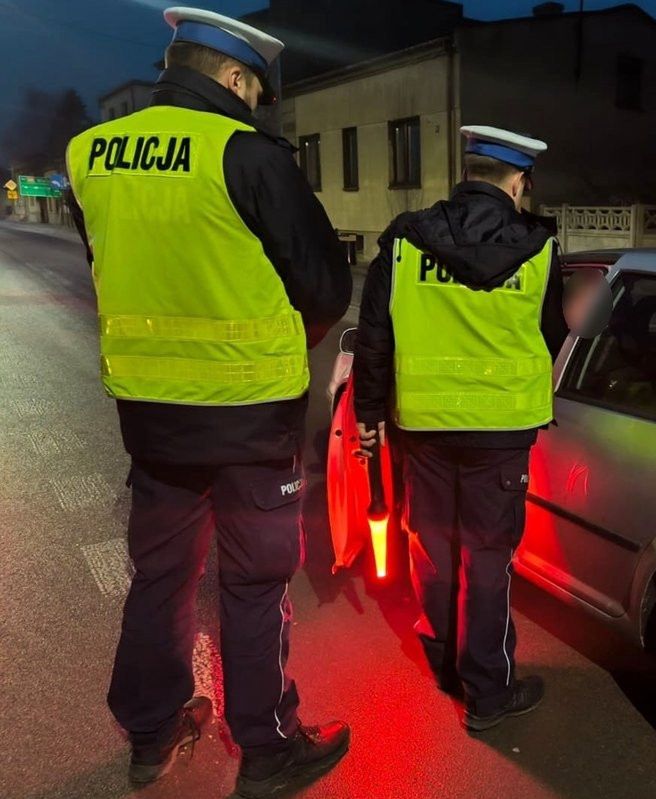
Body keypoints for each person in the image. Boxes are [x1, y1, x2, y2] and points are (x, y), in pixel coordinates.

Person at [65, 7, 351, 796]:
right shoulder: (246, 154)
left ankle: (153, 734)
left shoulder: (92, 153)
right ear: (231, 76)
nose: (257, 104)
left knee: (161, 576)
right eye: (254, 90)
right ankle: (266, 745)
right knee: (255, 583)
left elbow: (108, 264)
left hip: (152, 417)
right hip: (252, 418)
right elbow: (325, 284)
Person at [354, 125, 569, 732]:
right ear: (518, 181)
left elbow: (375, 337)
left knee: (433, 545)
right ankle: (489, 691)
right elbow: (551, 336)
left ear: (467, 171)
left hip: (422, 426)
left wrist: (369, 414)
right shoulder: (541, 248)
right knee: (488, 558)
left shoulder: (403, 239)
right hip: (500, 432)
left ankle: (446, 663)